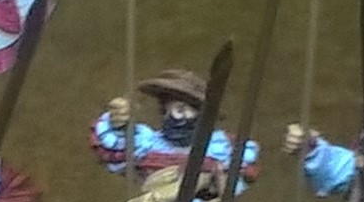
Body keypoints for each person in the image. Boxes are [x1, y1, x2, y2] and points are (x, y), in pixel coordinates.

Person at [91, 67, 260, 183]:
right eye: (179, 109)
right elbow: (113, 151)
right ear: (165, 110)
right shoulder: (147, 144)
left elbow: (245, 173)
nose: (186, 116)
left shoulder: (221, 147)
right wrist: (119, 124)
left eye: (192, 110)